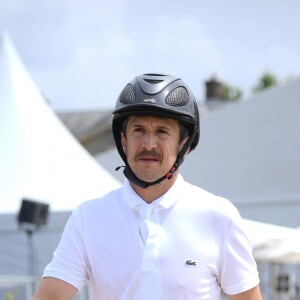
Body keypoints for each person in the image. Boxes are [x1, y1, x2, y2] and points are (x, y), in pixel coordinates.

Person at [33, 73, 262, 299]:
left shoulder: (220, 217)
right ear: (124, 141)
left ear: (184, 143)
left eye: (162, 131)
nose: (148, 143)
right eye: (138, 130)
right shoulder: (88, 218)